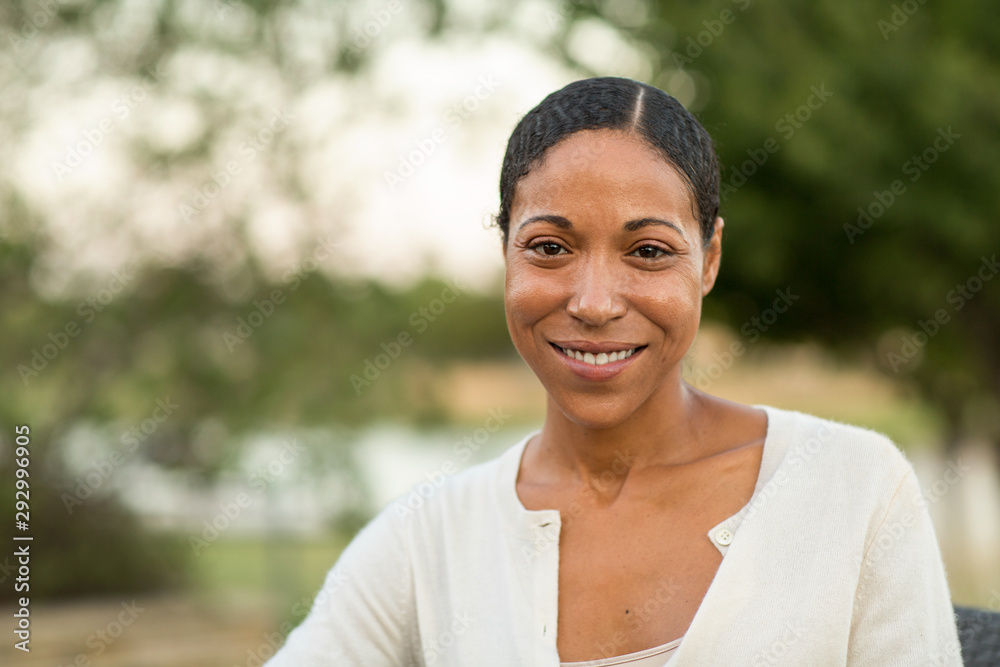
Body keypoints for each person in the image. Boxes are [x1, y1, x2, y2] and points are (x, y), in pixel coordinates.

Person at [266, 77, 962, 666]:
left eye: (650, 251)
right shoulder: (429, 539)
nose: (594, 302)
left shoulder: (855, 490)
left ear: (710, 258)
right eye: (548, 246)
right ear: (504, 250)